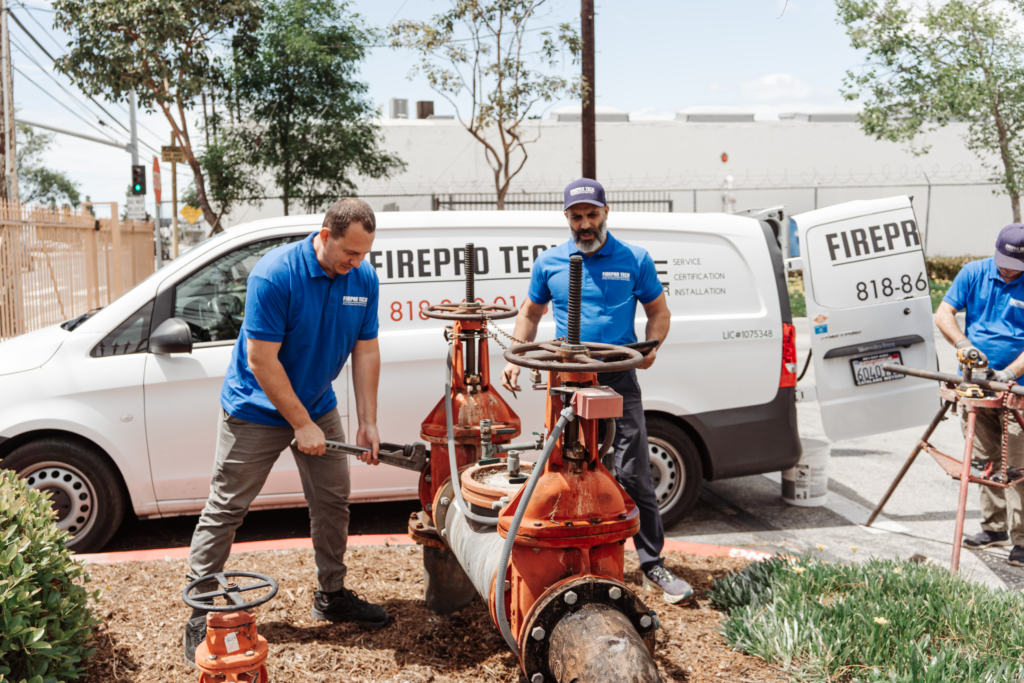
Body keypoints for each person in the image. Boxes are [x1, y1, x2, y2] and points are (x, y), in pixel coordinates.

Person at [183, 198, 387, 666]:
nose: (356, 263)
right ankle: (200, 608)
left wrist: (369, 420)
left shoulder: (362, 279)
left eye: (364, 254)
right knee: (227, 507)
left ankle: (331, 595)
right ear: (324, 234)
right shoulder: (275, 274)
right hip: (255, 408)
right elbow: (261, 360)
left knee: (333, 502)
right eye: (349, 253)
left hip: (317, 403)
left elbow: (366, 351)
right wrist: (301, 424)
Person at [500, 178, 694, 604]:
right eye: (576, 216)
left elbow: (659, 312)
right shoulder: (550, 261)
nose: (584, 224)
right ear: (566, 218)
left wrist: (652, 346)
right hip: (568, 379)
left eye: (591, 215)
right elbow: (529, 314)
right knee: (569, 470)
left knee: (632, 471)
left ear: (606, 212)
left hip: (619, 376)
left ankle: (651, 563)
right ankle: (577, 563)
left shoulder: (634, 259)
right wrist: (514, 355)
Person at [936, 223, 1024, 567]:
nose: (1008, 271)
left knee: (1017, 467)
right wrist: (963, 345)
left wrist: (1009, 374)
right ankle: (994, 527)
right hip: (976, 384)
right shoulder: (973, 273)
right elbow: (944, 313)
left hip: (1016, 389)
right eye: (1004, 263)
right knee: (986, 462)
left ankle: (1022, 539)